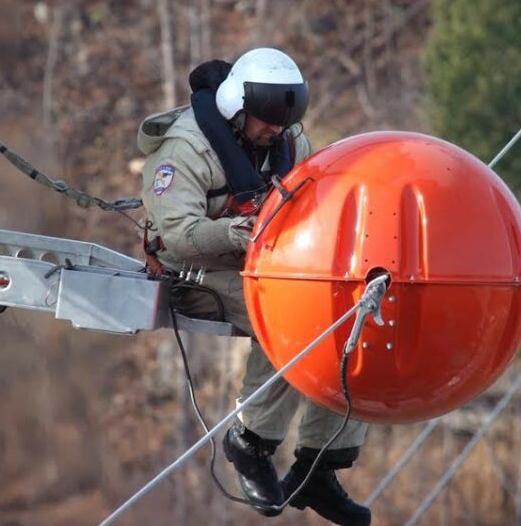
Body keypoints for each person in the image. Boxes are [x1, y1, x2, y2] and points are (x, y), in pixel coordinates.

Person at [137, 48, 372, 526]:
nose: (274, 131)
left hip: (266, 261)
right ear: (237, 111)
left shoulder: (288, 145)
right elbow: (179, 236)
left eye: (281, 123)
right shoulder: (185, 150)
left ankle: (319, 466)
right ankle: (251, 442)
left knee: (354, 317)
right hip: (194, 269)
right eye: (265, 122)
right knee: (295, 318)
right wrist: (236, 234)